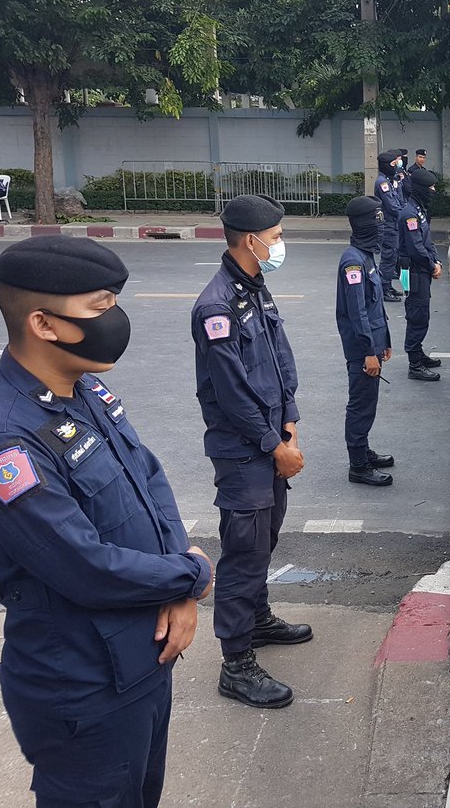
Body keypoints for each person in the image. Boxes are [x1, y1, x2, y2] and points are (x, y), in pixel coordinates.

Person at [0, 236, 214, 807]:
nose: (115, 319)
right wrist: (190, 577)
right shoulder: (2, 440)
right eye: (100, 307)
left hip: (144, 656)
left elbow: (148, 476)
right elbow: (84, 566)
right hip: (84, 685)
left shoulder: (84, 386)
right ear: (44, 324)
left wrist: (178, 580)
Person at [191, 194, 309, 710]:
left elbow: (280, 360)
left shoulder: (254, 289)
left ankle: (257, 620)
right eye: (276, 237)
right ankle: (236, 663)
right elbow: (231, 392)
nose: (280, 244)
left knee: (265, 538)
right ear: (250, 240)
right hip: (244, 451)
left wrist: (290, 421)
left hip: (272, 440)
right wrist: (273, 445)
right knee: (244, 551)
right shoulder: (215, 306)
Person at [337, 196, 395, 486]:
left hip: (373, 344)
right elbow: (357, 312)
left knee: (368, 402)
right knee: (360, 405)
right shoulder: (353, 263)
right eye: (377, 220)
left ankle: (363, 450)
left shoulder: (366, 255)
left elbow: (376, 306)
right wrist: (368, 352)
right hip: (363, 349)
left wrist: (385, 341)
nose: (381, 226)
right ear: (363, 223)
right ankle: (358, 465)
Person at [399, 168, 444, 381]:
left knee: (422, 313)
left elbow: (427, 240)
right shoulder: (409, 214)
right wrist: (431, 265)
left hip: (422, 269)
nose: (433, 190)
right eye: (430, 187)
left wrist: (436, 261)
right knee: (417, 315)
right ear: (420, 189)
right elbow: (416, 247)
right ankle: (414, 365)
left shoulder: (419, 210)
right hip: (414, 271)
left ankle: (418, 354)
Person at [374, 151, 404, 303]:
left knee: (393, 257)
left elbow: (399, 199)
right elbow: (392, 206)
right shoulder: (382, 183)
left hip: (393, 224)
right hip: (388, 225)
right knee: (388, 258)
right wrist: (404, 216)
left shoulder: (389, 180)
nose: (396, 166)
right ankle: (384, 289)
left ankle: (387, 285)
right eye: (394, 164)